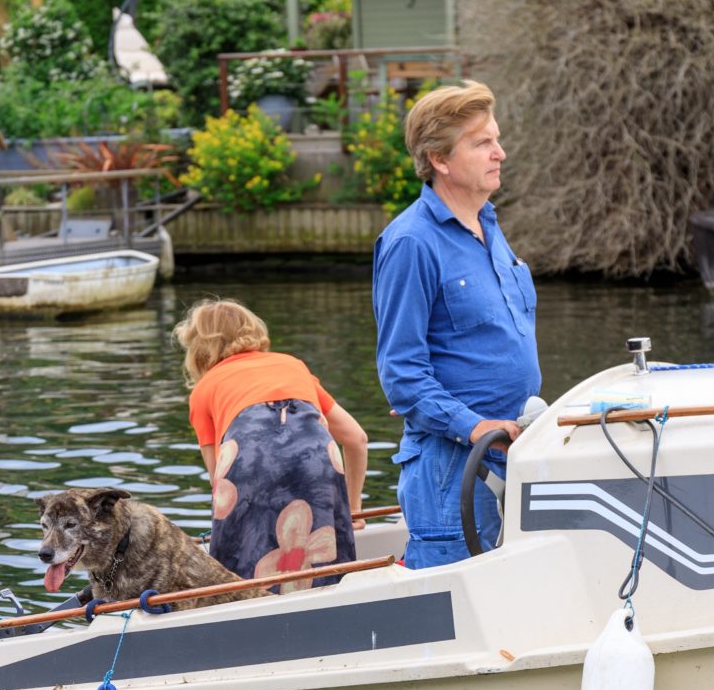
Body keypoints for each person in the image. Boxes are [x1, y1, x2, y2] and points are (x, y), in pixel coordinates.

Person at [371, 81, 541, 568]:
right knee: (454, 620)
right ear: (440, 160)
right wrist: (477, 427)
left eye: (497, 139)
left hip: (511, 457)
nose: (500, 153)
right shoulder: (410, 243)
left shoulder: (489, 225)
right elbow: (401, 374)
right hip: (452, 473)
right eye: (482, 143)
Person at [176, 298, 368, 591]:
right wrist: (353, 509)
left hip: (249, 458)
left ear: (198, 348)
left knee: (239, 565)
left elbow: (220, 484)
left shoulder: (204, 389)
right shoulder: (293, 365)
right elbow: (356, 439)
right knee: (323, 557)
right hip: (316, 454)